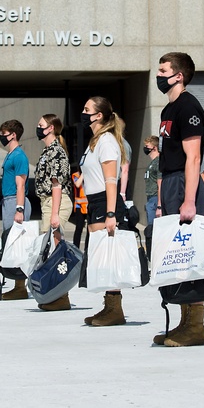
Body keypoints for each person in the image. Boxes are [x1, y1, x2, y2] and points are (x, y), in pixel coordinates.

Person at [153, 52, 204, 347]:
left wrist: (189, 200)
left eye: (163, 70)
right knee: (176, 255)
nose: (159, 75)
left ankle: (196, 325)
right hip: (172, 182)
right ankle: (183, 321)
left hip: (185, 183)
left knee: (189, 252)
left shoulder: (189, 107)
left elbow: (193, 158)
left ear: (179, 75)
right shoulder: (168, 109)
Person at [12, 113, 74, 305]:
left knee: (54, 251)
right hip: (48, 202)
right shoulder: (48, 151)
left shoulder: (56, 151)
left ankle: (61, 296)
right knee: (49, 250)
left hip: (56, 201)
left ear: (51, 128)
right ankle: (56, 294)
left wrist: (55, 213)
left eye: (41, 125)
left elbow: (57, 185)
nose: (38, 128)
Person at [80, 96, 129, 325]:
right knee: (100, 258)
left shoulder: (107, 141)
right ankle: (108, 307)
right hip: (95, 201)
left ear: (98, 115)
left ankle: (114, 310)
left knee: (108, 258)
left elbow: (111, 180)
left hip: (104, 202)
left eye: (87, 109)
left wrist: (111, 214)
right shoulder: (95, 141)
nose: (83, 112)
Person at [0, 119, 31, 232]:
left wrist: (19, 209)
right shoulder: (10, 155)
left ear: (13, 135)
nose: (1, 136)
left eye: (4, 134)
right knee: (8, 237)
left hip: (14, 200)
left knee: (15, 239)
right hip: (8, 200)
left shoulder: (19, 156)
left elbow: (21, 185)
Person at [142, 135, 162, 225]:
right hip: (150, 198)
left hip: (155, 198)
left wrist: (159, 205)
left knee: (153, 227)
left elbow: (160, 184)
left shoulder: (158, 162)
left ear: (154, 148)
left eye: (147, 146)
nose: (145, 149)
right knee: (150, 226)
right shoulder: (152, 163)